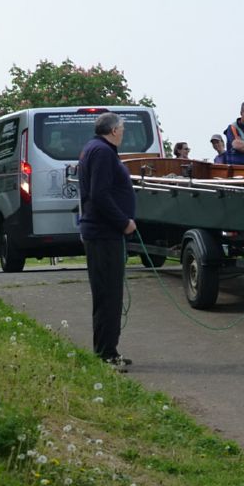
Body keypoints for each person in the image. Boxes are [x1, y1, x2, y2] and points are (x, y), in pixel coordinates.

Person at [78, 112, 137, 370]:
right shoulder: (101, 152)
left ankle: (109, 349)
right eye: (122, 128)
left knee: (110, 295)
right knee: (108, 296)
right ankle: (105, 355)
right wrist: (124, 222)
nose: (123, 132)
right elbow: (99, 194)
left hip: (103, 233)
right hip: (104, 234)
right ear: (113, 130)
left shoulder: (96, 149)